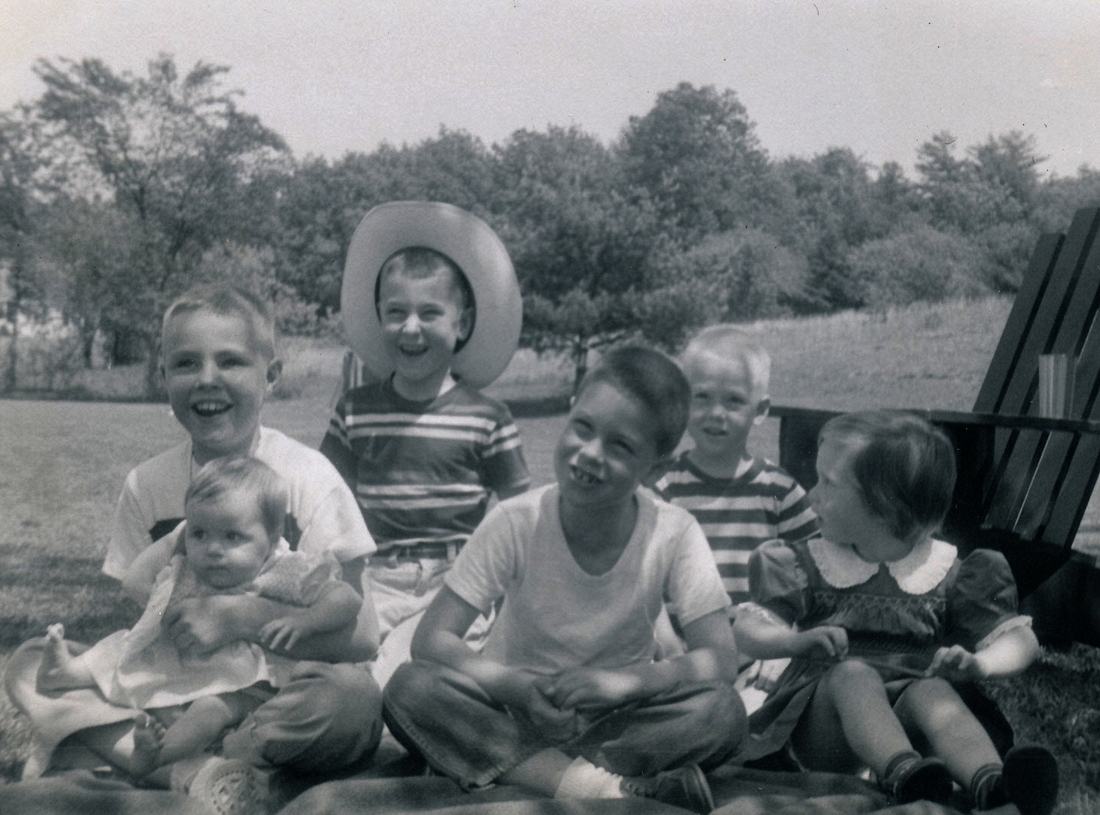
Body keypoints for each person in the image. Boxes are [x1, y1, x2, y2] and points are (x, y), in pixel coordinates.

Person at [6, 284, 383, 811]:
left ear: (271, 375)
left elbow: (363, 637)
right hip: (178, 690)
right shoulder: (148, 485)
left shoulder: (308, 476)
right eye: (186, 363)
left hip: (273, 696)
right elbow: (141, 618)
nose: (207, 379)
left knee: (351, 702)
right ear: (164, 376)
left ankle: (182, 765)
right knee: (29, 664)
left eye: (230, 361)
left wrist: (242, 618)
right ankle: (212, 774)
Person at [383, 346, 746, 814]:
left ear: (655, 468)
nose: (590, 453)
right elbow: (432, 639)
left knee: (722, 711)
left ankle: (536, 777)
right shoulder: (516, 520)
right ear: (570, 412)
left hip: (617, 726)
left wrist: (626, 684)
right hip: (511, 714)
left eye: (620, 446)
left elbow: (720, 658)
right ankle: (603, 791)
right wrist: (519, 687)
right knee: (410, 687)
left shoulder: (673, 531)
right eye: (583, 427)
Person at [734, 410, 1059, 814]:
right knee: (853, 675)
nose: (812, 495)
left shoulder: (947, 572)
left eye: (828, 483)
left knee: (933, 691)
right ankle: (903, 775)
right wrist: (792, 642)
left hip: (906, 722)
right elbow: (748, 628)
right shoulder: (809, 564)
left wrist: (982, 663)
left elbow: (1020, 640)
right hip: (825, 732)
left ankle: (992, 784)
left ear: (883, 506)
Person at [36, 457, 363, 782]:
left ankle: (154, 757)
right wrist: (174, 547)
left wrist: (307, 620)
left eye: (232, 537)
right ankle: (66, 674)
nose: (213, 549)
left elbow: (346, 599)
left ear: (273, 538)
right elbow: (137, 584)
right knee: (111, 647)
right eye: (200, 533)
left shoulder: (282, 570)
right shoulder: (186, 567)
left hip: (239, 683)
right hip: (175, 666)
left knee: (211, 710)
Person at [320, 202, 530, 688]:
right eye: (396, 312)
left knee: (400, 673)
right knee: (329, 673)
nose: (410, 327)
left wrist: (511, 600)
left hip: (455, 586)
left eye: (429, 312)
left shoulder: (486, 418)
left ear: (462, 323)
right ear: (380, 317)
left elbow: (521, 518)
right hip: (370, 577)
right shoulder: (355, 411)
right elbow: (325, 500)